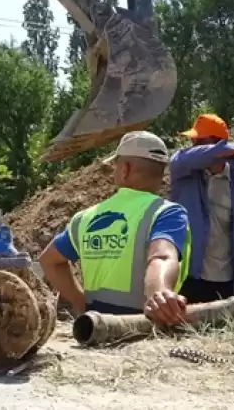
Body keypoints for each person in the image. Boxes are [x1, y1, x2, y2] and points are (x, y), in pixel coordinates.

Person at [39, 131, 192, 326]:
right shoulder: (167, 213)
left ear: (125, 169)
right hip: (144, 327)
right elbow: (161, 256)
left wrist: (81, 302)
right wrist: (160, 294)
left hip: (94, 327)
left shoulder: (86, 217)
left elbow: (49, 260)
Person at [169, 114, 234, 306]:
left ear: (216, 144)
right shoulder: (183, 172)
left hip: (226, 283)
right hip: (187, 279)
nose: (193, 145)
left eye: (198, 141)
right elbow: (186, 158)